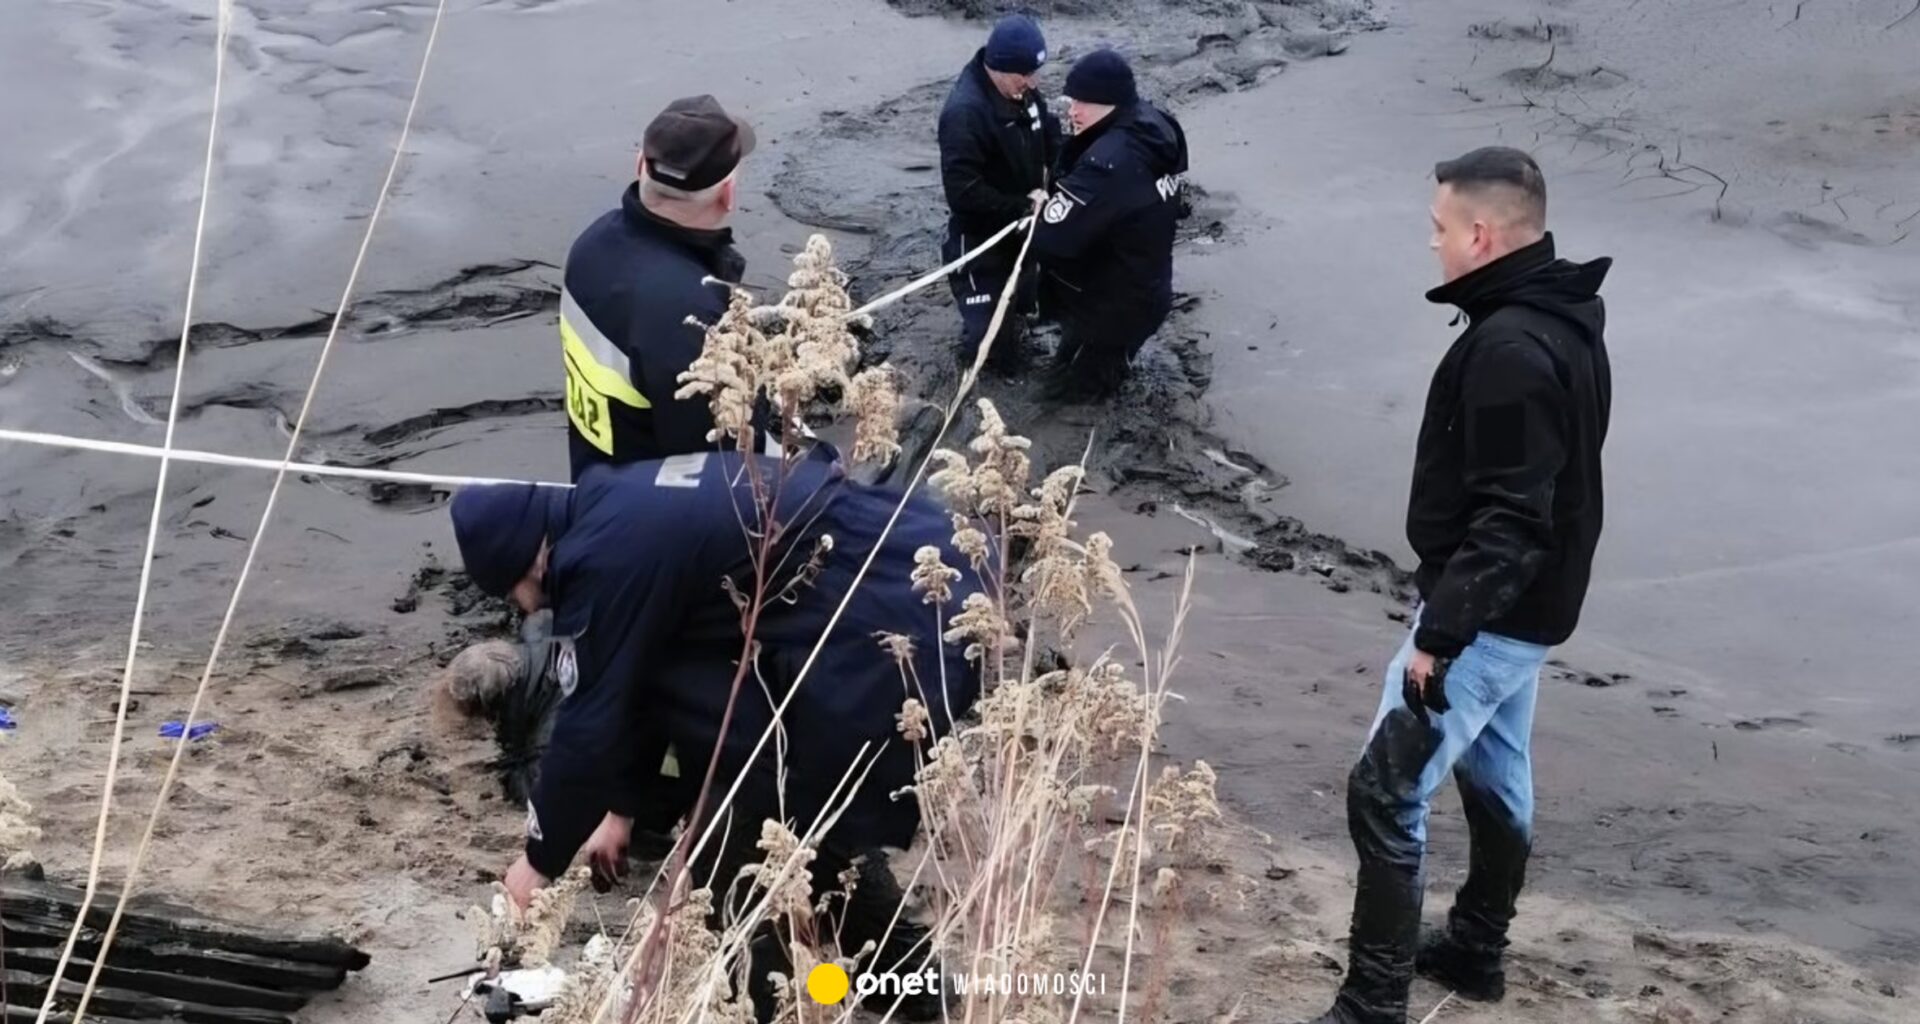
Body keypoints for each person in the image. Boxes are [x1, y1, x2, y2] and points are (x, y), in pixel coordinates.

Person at [449, 450, 983, 1020]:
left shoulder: (599, 558)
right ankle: (924, 997)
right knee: (786, 823)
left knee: (737, 865)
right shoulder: (609, 504)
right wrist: (622, 808)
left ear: (525, 564)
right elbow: (646, 678)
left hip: (886, 617)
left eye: (510, 595)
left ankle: (771, 1007)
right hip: (893, 566)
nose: (522, 609)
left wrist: (538, 860)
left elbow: (591, 722)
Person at [1293, 147, 1611, 1024]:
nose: (1430, 244)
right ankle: (1474, 951)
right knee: (1495, 768)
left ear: (1480, 233)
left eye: (1438, 229)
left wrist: (1439, 635)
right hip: (1530, 606)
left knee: (1385, 788)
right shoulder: (1563, 314)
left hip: (1492, 614)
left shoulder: (1510, 347)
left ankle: (1372, 1003)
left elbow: (1513, 518)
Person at [559, 94, 766, 480]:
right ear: (728, 195)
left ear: (640, 165)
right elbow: (729, 470)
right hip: (660, 521)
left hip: (596, 484)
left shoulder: (591, 245)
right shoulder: (692, 316)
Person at [1032, 48, 1189, 401]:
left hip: (1108, 309)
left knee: (1071, 396)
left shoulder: (1106, 165)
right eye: (1071, 100)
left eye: (1081, 103)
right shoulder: (1156, 125)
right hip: (1146, 287)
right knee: (1094, 365)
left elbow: (1051, 241)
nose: (1072, 111)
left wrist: (1039, 212)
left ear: (1108, 102)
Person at [937, 14, 1061, 373]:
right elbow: (962, 193)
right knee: (988, 350)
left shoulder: (1021, 89)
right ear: (1000, 68)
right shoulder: (965, 113)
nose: (1034, 82)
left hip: (1023, 234)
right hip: (980, 244)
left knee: (1029, 310)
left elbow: (1050, 136)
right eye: (1025, 74)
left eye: (1035, 73)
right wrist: (1023, 206)